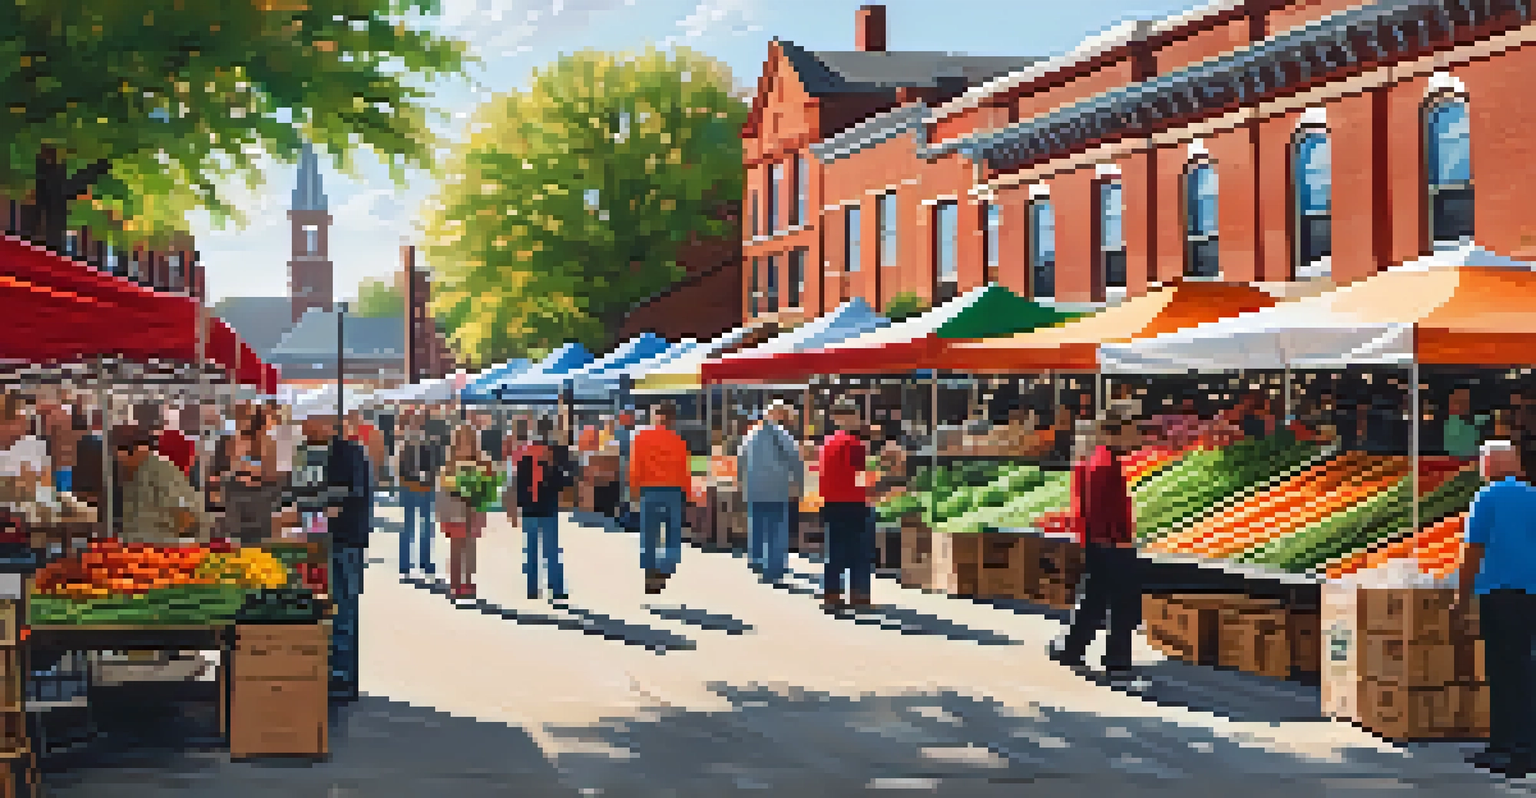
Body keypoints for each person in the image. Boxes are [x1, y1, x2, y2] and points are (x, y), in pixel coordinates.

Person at [1049, 404, 1145, 689]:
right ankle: (1116, 661)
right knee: (1121, 604)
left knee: (1094, 598)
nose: (1136, 437)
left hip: (1099, 542)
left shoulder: (1099, 460)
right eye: (1132, 430)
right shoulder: (1106, 464)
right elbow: (1106, 510)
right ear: (1118, 432)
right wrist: (1122, 539)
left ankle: (1072, 649)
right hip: (1111, 544)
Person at [1455, 440, 1536, 776]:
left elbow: (1472, 550)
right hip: (1530, 594)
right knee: (1522, 668)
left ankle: (1514, 749)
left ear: (1488, 465)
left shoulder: (1486, 498)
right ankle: (1508, 745)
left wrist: (1461, 595)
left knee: (1502, 670)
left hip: (1500, 594)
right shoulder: (1533, 496)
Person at [739, 401, 803, 586]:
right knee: (776, 528)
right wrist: (799, 485)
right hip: (776, 488)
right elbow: (795, 460)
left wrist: (741, 482)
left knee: (757, 524)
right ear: (780, 415)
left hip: (754, 487)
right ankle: (774, 567)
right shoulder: (783, 435)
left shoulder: (750, 434)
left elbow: (741, 459)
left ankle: (757, 559)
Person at [115, 426, 213, 545]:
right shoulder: (137, 475)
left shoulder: (159, 471)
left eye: (119, 455)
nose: (119, 461)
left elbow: (187, 516)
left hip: (165, 551)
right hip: (146, 551)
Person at [631, 402, 691, 594]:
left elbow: (635, 466)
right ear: (672, 419)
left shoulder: (641, 438)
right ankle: (667, 567)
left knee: (649, 533)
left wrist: (633, 490)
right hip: (673, 491)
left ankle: (650, 571)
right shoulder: (678, 441)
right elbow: (684, 470)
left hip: (649, 490)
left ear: (654, 416)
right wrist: (688, 494)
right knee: (672, 532)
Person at [819, 398, 873, 611]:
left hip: (831, 501)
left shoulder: (827, 443)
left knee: (834, 550)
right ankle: (859, 595)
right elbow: (860, 476)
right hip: (854, 502)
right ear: (855, 418)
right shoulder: (855, 444)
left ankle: (831, 594)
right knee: (859, 551)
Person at [510, 419, 572, 601]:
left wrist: (517, 505)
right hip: (548, 505)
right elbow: (563, 481)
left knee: (531, 548)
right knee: (551, 549)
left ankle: (532, 588)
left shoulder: (524, 451)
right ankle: (556, 588)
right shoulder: (556, 452)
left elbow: (518, 481)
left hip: (529, 506)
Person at [439, 425, 494, 600]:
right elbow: (443, 490)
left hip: (474, 509)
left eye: (468, 440)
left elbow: (490, 486)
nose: (465, 445)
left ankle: (468, 582)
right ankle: (455, 584)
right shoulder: (449, 463)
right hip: (455, 509)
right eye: (461, 440)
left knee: (470, 547)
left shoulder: (483, 461)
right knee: (456, 548)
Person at [397, 411, 441, 582]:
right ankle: (405, 565)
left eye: (418, 423)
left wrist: (427, 478)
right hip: (408, 488)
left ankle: (425, 563)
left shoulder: (430, 445)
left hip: (425, 489)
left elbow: (435, 466)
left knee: (426, 526)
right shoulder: (404, 446)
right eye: (412, 423)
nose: (415, 427)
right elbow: (399, 468)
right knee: (408, 527)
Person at [1445, 387, 1487, 459]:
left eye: (1466, 402)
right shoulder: (1453, 424)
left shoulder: (1476, 421)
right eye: (1458, 402)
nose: (1464, 406)